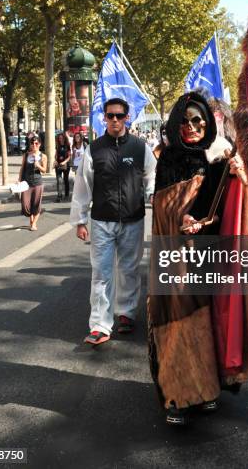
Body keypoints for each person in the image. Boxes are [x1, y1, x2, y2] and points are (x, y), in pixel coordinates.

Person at [149, 91, 248, 426]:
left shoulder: (214, 161)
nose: (191, 126)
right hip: (172, 258)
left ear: (208, 124)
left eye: (198, 120)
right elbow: (162, 210)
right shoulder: (167, 161)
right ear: (175, 123)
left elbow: (232, 207)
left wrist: (240, 175)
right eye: (184, 120)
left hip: (206, 257)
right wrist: (178, 222)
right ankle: (178, 395)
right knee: (176, 326)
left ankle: (205, 389)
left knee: (206, 322)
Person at [70, 97, 156, 345]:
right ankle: (99, 325)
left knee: (129, 270)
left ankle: (126, 314)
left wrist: (152, 194)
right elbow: (83, 186)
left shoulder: (140, 148)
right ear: (104, 118)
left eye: (119, 115)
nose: (115, 120)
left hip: (133, 219)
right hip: (101, 221)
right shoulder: (94, 149)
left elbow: (151, 175)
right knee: (101, 273)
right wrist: (80, 220)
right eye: (110, 116)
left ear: (127, 117)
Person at [19, 135, 47, 231]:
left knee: (36, 204)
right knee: (25, 204)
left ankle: (34, 223)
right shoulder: (26, 155)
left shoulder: (43, 156)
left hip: (37, 183)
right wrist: (19, 180)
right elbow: (22, 168)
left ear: (39, 144)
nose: (34, 145)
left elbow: (44, 170)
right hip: (26, 183)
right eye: (32, 143)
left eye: (36, 143)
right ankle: (31, 220)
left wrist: (38, 165)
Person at [54, 133, 71, 201]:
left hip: (66, 165)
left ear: (64, 138)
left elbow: (69, 156)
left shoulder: (67, 145)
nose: (60, 139)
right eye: (59, 138)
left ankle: (66, 194)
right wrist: (55, 160)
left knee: (65, 179)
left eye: (62, 138)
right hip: (58, 165)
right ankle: (59, 195)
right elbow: (56, 154)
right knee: (59, 180)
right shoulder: (57, 145)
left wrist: (64, 162)